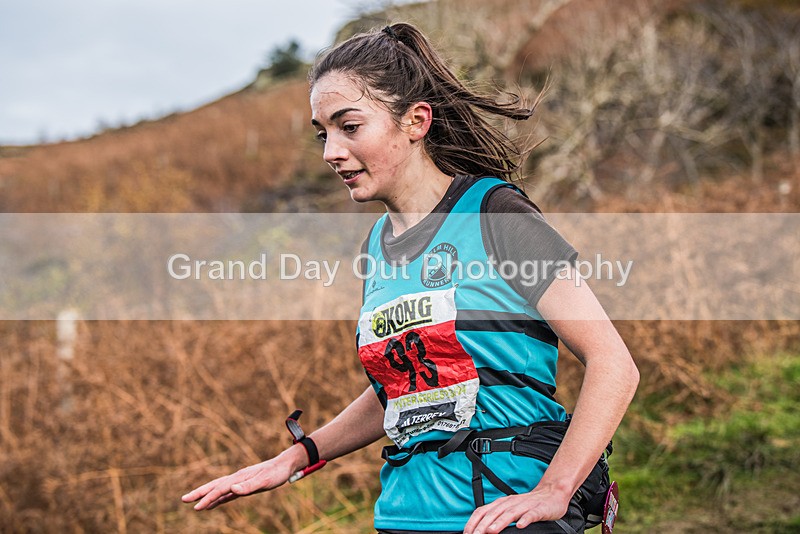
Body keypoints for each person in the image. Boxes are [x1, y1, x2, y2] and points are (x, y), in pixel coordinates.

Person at [182, 23, 639, 534]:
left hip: (503, 512)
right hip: (405, 514)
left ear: (415, 121)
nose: (330, 152)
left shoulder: (493, 213)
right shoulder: (375, 246)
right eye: (322, 133)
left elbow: (613, 364)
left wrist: (556, 489)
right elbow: (403, 390)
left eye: (349, 126)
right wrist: (293, 459)